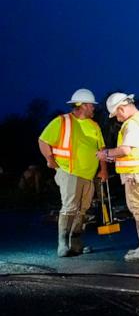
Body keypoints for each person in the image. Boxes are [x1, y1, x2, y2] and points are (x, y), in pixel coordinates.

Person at [37, 89, 110, 257]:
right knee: (70, 207)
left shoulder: (94, 125)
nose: (94, 108)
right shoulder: (62, 121)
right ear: (83, 105)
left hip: (89, 175)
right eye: (92, 105)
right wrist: (49, 159)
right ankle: (63, 244)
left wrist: (104, 170)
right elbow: (43, 141)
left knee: (83, 210)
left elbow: (102, 149)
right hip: (69, 171)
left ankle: (76, 244)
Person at [97, 93, 139, 261]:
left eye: (117, 114)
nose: (117, 118)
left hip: (136, 175)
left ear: (122, 108)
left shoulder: (132, 123)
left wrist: (106, 153)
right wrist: (113, 157)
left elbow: (126, 150)